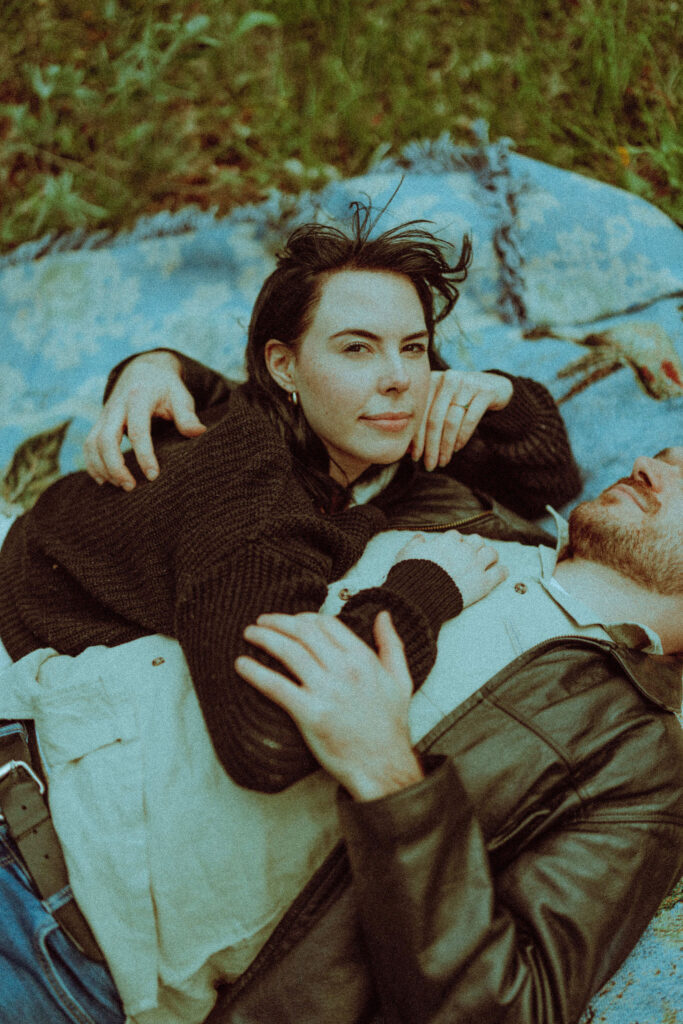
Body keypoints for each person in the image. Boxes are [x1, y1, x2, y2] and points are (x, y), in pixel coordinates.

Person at [0, 448, 681, 1024]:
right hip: (21, 719)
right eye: (663, 452)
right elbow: (316, 388)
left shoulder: (639, 766)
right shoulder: (459, 510)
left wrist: (387, 776)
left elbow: (505, 1005)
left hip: (63, 937)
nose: (648, 465)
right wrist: (163, 371)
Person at [0, 206, 580, 796]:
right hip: (16, 623)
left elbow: (551, 486)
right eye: (356, 348)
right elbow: (266, 742)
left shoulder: (382, 415)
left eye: (414, 346)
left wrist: (506, 399)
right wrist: (425, 590)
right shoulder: (252, 493)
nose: (399, 377)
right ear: (284, 365)